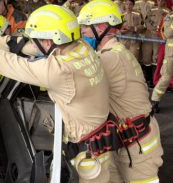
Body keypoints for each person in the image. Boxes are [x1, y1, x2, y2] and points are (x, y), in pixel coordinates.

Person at [0, 4, 118, 181]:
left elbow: (11, 62)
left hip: (89, 160)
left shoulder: (58, 70)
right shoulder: (81, 49)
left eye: (39, 38)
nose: (35, 43)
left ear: (52, 38)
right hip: (95, 145)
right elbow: (18, 44)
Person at [78, 0, 163, 182]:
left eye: (85, 26)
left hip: (139, 145)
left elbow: (72, 78)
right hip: (128, 140)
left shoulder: (110, 59)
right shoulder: (115, 51)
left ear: (101, 27)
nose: (82, 31)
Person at [151, 11, 173, 112]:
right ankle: (155, 100)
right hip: (171, 54)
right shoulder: (169, 17)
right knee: (166, 77)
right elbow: (167, 33)